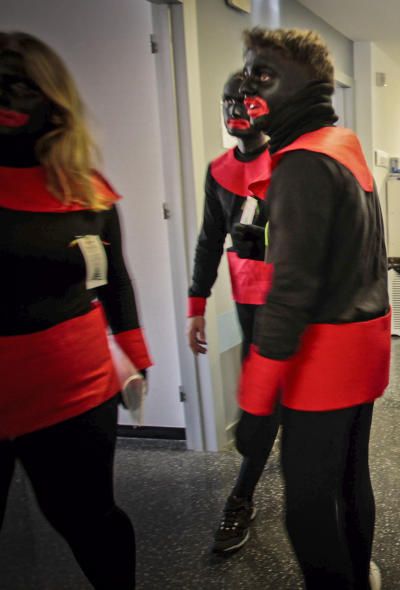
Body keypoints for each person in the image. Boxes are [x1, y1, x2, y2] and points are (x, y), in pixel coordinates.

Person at [235, 28, 389, 590]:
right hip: (362, 345)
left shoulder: (301, 162)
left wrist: (256, 400)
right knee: (350, 480)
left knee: (304, 506)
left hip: (323, 356)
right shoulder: (341, 143)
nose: (246, 86)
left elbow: (293, 288)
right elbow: (348, 248)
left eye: (262, 75)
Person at [0, 31, 153, 589]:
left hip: (74, 388)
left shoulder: (86, 191)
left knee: (86, 518)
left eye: (22, 87)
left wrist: (138, 356)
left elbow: (114, 281)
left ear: (51, 99)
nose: (9, 103)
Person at [186, 71, 274, 555]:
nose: (237, 110)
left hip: (291, 298)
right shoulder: (219, 170)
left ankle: (240, 495)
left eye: (248, 102)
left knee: (264, 400)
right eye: (229, 102)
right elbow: (207, 240)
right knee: (261, 394)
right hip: (246, 297)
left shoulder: (289, 162)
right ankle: (253, 473)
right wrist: (196, 304)